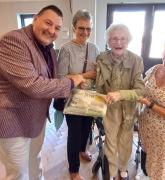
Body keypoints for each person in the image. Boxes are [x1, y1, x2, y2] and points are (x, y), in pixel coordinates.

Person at [0, 5, 84, 180]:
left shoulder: (49, 48)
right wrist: (71, 81)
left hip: (36, 120)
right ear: (35, 19)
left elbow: (50, 79)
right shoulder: (13, 41)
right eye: (48, 23)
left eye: (58, 28)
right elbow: (34, 85)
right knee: (17, 174)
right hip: (13, 123)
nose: (52, 30)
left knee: (34, 163)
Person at [95, 24, 144, 180]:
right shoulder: (101, 58)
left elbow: (141, 91)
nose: (119, 42)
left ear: (128, 40)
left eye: (123, 39)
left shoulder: (136, 60)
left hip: (129, 109)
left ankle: (123, 168)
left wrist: (120, 94)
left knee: (125, 140)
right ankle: (112, 170)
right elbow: (99, 84)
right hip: (109, 108)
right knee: (110, 140)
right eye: (114, 38)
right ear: (109, 41)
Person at [57, 9, 99, 180]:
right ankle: (73, 171)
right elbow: (60, 76)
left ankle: (83, 150)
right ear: (74, 27)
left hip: (90, 97)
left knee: (86, 128)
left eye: (88, 29)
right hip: (72, 97)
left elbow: (97, 72)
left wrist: (80, 76)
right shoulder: (66, 49)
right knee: (74, 133)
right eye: (81, 28)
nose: (85, 32)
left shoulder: (94, 47)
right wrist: (82, 77)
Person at [138, 36, 165, 180]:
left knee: (158, 171)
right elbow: (140, 87)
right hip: (145, 129)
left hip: (163, 136)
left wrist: (150, 104)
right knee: (145, 166)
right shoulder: (156, 68)